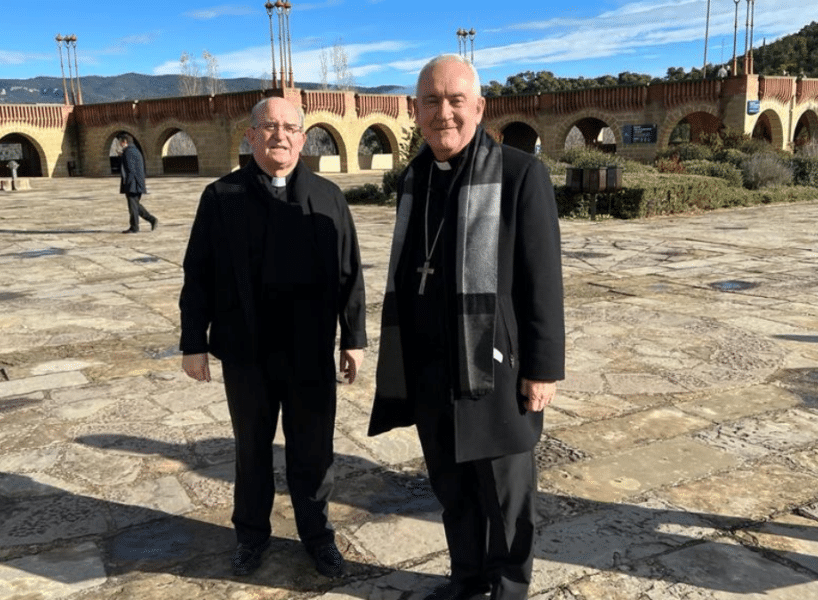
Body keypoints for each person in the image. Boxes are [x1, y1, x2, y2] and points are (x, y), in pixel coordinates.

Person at [368, 55, 565, 600]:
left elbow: (542, 278)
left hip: (495, 365)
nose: (444, 113)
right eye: (431, 101)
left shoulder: (521, 173)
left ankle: (507, 589)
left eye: (456, 100)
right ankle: (467, 577)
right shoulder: (415, 178)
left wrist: (544, 368)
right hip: (432, 365)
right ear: (416, 110)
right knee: (452, 489)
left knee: (504, 495)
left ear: (479, 107)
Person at [179, 97, 366, 579]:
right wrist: (192, 343)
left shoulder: (328, 197)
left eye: (289, 128)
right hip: (246, 354)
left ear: (303, 138)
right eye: (268, 127)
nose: (279, 136)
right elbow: (196, 274)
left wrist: (354, 337)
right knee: (251, 450)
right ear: (250, 134)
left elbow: (350, 272)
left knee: (313, 451)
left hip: (309, 354)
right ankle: (250, 537)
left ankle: (318, 538)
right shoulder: (222, 197)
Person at [117, 133, 157, 233]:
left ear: (125, 141)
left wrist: (128, 185)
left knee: (133, 207)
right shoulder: (134, 150)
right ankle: (152, 220)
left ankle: (135, 227)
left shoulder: (128, 152)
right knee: (135, 206)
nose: (120, 144)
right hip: (137, 184)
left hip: (132, 184)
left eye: (120, 142)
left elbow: (130, 170)